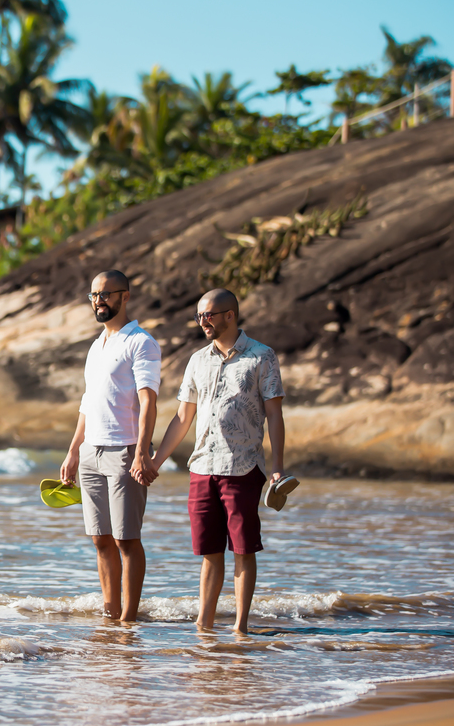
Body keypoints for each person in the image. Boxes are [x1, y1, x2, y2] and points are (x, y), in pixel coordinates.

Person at [149, 288, 286, 634]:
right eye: (199, 315)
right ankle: (204, 624)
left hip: (243, 466)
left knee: (243, 549)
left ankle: (241, 627)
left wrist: (278, 467)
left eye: (208, 315)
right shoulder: (197, 360)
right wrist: (156, 461)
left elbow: (275, 414)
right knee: (209, 551)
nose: (202, 321)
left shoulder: (262, 356)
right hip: (202, 467)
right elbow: (183, 417)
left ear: (230, 315)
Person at [60, 270, 161, 621]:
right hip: (91, 451)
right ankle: (110, 613)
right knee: (100, 539)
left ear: (125, 296)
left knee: (126, 540)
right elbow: (88, 402)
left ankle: (128, 620)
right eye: (94, 295)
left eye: (105, 294)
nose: (99, 301)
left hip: (124, 450)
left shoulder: (141, 342)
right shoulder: (96, 345)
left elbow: (148, 401)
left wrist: (142, 451)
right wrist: (74, 450)